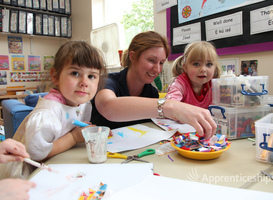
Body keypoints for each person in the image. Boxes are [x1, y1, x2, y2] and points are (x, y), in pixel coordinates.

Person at [1, 41, 107, 179]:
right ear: (55, 76)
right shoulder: (47, 114)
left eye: (91, 76)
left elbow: (71, 125)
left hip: (57, 167)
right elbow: (37, 154)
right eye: (75, 73)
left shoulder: (83, 103)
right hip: (25, 177)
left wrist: (90, 132)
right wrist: (74, 137)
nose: (84, 82)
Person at [91, 31, 216, 139]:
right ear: (133, 57)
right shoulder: (107, 81)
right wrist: (172, 107)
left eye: (161, 63)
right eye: (151, 60)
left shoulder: (152, 93)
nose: (157, 69)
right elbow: (108, 107)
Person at [166, 41, 221, 109]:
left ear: (215, 67)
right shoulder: (180, 84)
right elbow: (169, 105)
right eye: (196, 64)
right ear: (185, 67)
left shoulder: (215, 85)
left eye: (209, 64)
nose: (203, 69)